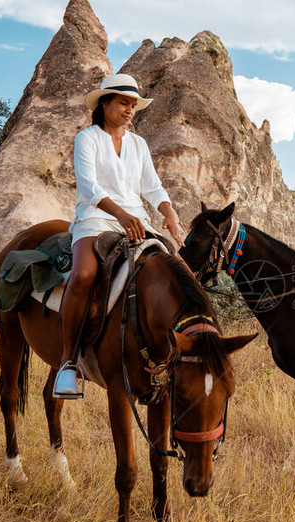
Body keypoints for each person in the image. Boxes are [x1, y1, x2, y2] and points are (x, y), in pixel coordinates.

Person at [53, 73, 185, 398]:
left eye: (133, 105)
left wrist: (167, 211)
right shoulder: (87, 138)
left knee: (175, 269)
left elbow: (151, 186)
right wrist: (122, 215)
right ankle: (68, 363)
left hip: (136, 221)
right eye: (124, 103)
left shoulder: (138, 144)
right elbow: (89, 187)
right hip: (96, 218)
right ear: (105, 103)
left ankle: (173, 355)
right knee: (84, 274)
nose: (129, 110)